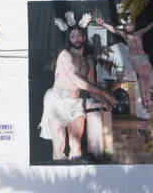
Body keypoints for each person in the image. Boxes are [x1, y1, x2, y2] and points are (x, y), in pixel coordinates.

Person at [39, 20, 117, 161]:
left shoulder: (89, 61)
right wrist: (103, 92)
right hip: (57, 101)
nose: (76, 39)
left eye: (79, 35)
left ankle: (75, 174)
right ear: (69, 39)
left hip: (76, 102)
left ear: (84, 37)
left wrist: (102, 99)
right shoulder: (65, 55)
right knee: (59, 145)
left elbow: (91, 86)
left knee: (76, 144)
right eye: (73, 36)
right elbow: (74, 79)